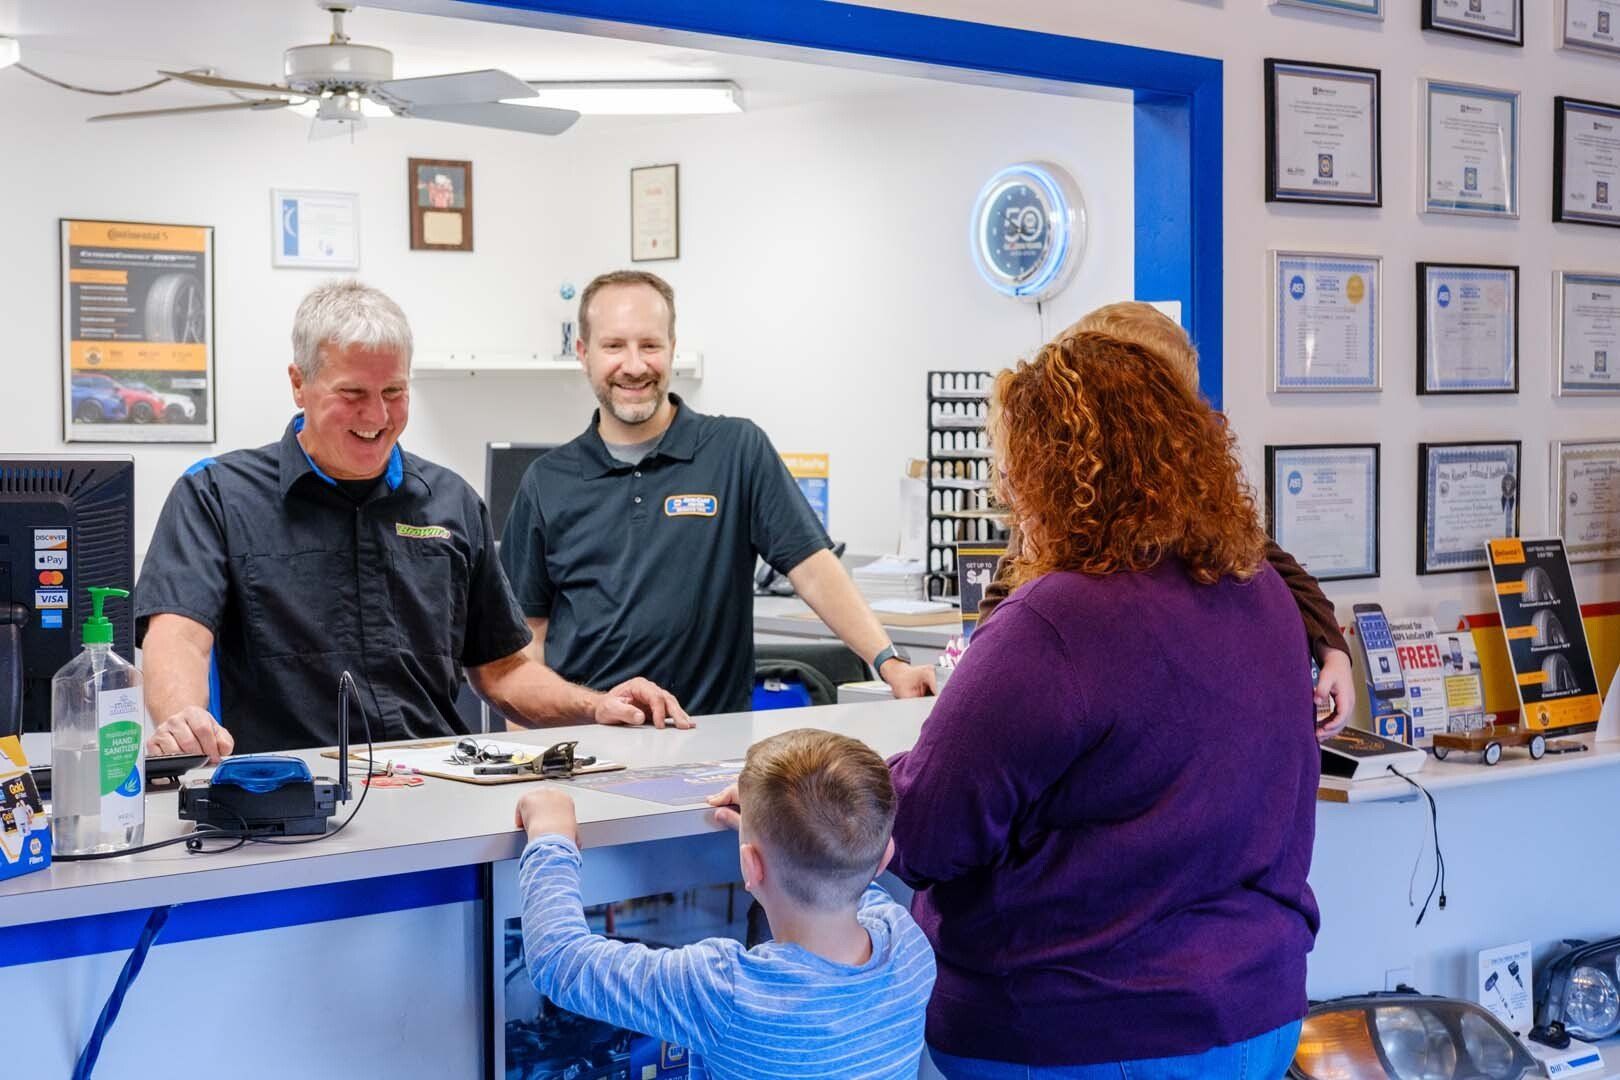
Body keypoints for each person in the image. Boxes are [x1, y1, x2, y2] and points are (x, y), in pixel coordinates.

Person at [889, 331, 1320, 1078]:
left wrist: (831, 785)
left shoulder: (1058, 619)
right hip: (1256, 1018)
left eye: (1011, 467)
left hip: (1079, 1029)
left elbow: (927, 830)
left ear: (1049, 473)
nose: (1002, 489)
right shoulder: (1263, 593)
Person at [138, 280, 687, 762]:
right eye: (352, 394)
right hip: (289, 796)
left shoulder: (451, 502)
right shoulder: (216, 495)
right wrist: (183, 718)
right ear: (299, 383)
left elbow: (503, 671)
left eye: (394, 393)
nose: (376, 417)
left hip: (437, 790)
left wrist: (598, 705)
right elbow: (179, 638)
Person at [499, 270, 935, 718]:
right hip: (589, 742)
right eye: (614, 346)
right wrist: (534, 759)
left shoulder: (735, 451)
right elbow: (526, 644)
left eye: (650, 345)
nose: (634, 365)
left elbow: (813, 570)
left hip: (708, 742)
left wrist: (889, 662)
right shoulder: (546, 481)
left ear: (672, 347)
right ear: (583, 353)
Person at [978, 301, 1356, 737]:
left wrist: (1334, 651)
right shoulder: (1057, 511)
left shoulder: (1195, 508)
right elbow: (1001, 604)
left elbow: (1278, 564)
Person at [515, 728, 935, 1078]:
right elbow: (849, 874)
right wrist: (773, 830)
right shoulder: (911, 948)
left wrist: (551, 837)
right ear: (883, 858)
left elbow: (560, 961)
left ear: (749, 867)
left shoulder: (726, 990)